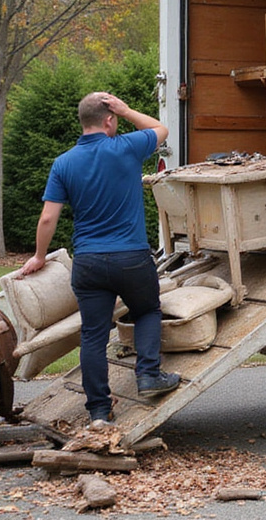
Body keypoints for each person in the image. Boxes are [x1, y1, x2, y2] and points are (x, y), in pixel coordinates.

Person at [17, 92, 181, 428]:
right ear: (108, 120)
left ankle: (98, 411)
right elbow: (161, 129)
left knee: (93, 334)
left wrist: (37, 256)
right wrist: (127, 109)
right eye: (116, 118)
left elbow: (48, 218)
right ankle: (148, 375)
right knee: (147, 309)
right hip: (132, 258)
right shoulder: (127, 147)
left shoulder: (63, 163)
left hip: (89, 262)